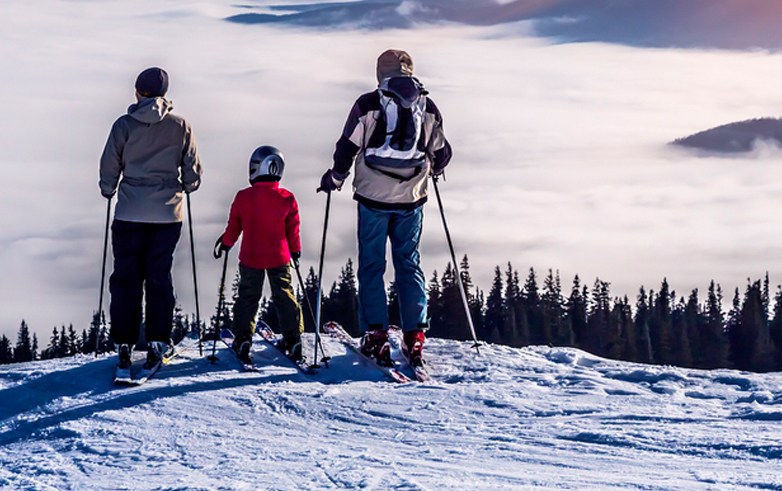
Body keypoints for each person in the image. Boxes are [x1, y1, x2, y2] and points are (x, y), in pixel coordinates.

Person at [318, 49, 452, 367]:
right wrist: (432, 167)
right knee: (409, 264)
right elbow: (442, 152)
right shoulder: (427, 105)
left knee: (372, 266)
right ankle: (415, 335)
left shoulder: (368, 104)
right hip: (412, 199)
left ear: (380, 73)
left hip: (372, 199)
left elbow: (346, 148)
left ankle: (376, 336)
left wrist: (335, 178)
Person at [99, 67, 203, 371]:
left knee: (126, 277)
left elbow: (109, 165)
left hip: (130, 212)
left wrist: (109, 190)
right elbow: (193, 171)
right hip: (167, 214)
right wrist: (186, 186)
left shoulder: (123, 126)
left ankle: (124, 343)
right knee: (159, 277)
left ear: (138, 92)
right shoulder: (180, 125)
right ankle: (158, 340)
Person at [216, 146, 304, 364]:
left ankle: (243, 338)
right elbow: (293, 229)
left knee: (248, 297)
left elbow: (234, 226)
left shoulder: (243, 197)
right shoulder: (287, 198)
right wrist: (296, 251)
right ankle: (293, 339)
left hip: (251, 257)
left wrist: (226, 244)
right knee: (284, 295)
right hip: (279, 256)